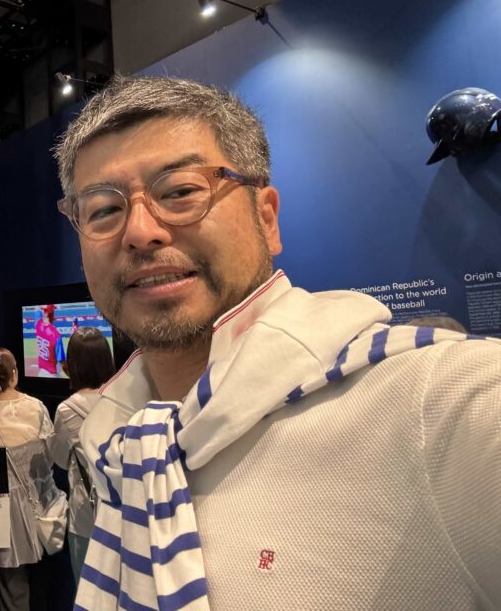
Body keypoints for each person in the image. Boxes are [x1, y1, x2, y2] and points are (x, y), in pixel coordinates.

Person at [52, 75, 501, 610]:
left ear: (266, 218)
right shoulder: (116, 440)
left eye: (181, 191)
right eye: (104, 209)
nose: (139, 231)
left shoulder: (444, 403)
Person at [0, 347, 62, 611]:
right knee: (45, 584)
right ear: (14, 374)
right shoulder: (37, 407)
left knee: (10, 588)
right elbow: (50, 457)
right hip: (40, 501)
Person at [49, 327, 115, 588]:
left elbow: (59, 459)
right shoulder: (122, 399)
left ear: (73, 365)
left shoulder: (67, 410)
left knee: (87, 592)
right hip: (124, 511)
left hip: (86, 514)